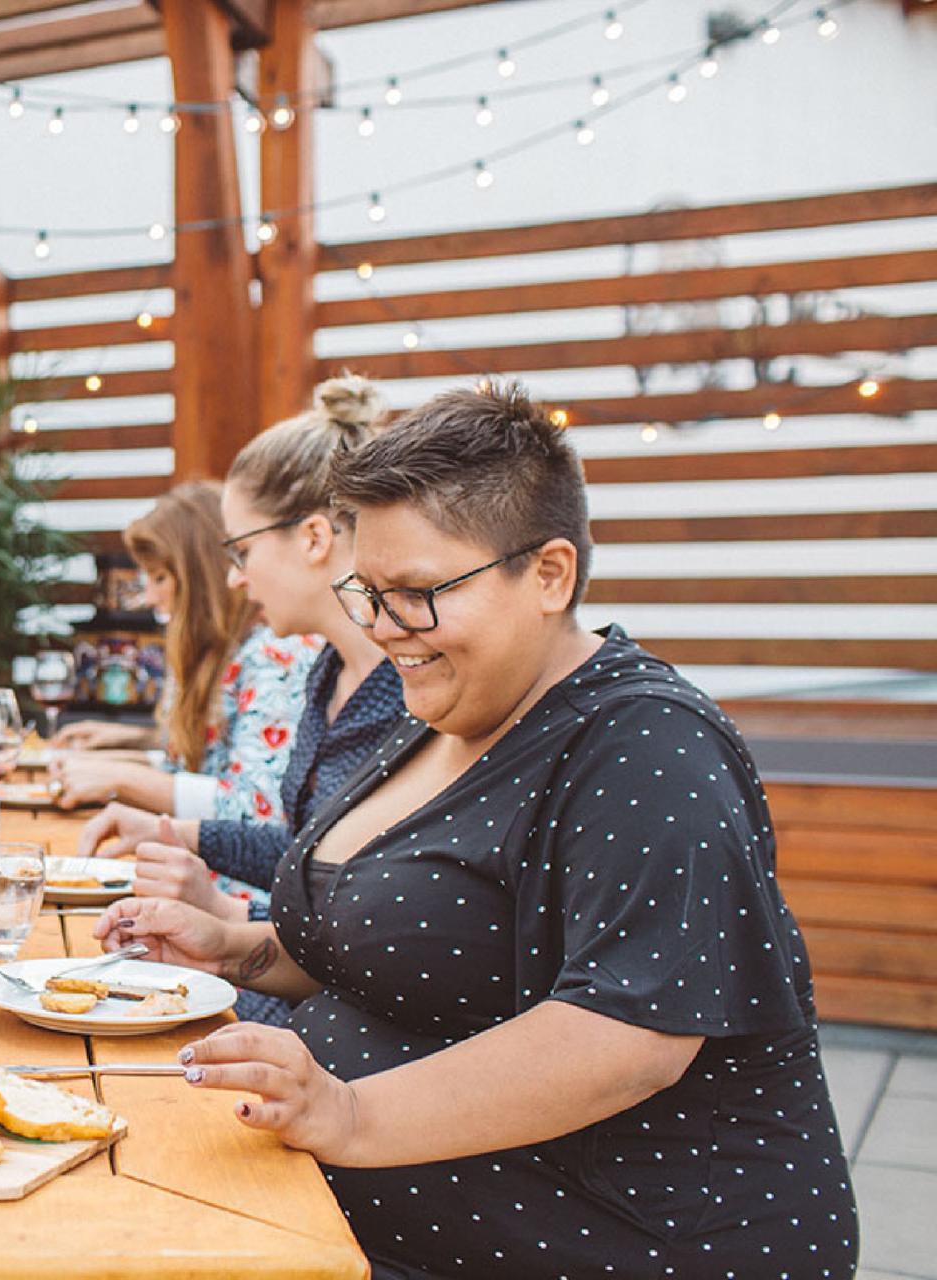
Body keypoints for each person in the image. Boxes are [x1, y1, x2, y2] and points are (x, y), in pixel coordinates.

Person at [97, 382, 858, 1279]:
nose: (383, 629)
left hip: (632, 1242)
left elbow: (624, 1041)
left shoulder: (647, 744)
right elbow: (420, 948)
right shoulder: (441, 715)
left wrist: (347, 1115)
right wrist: (234, 949)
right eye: (366, 593)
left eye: (416, 593)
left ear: (549, 574)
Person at [77, 377, 403, 1023]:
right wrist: (190, 842)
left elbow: (377, 929)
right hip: (279, 994)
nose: (234, 576)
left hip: (316, 1032)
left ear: (313, 538)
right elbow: (307, 857)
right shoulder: (330, 672)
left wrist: (225, 915)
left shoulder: (406, 689)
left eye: (244, 550)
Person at [49, 482, 312, 823]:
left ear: (201, 579)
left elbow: (255, 809)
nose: (150, 597)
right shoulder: (208, 651)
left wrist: (120, 776)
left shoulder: (274, 656)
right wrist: (120, 756)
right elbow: (196, 767)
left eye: (159, 578)